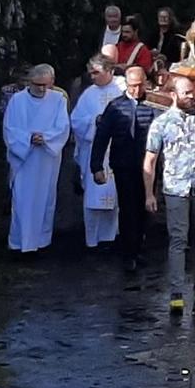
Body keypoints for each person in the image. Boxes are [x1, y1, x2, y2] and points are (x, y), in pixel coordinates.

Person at [145, 68, 195, 317]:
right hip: (176, 188)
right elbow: (150, 161)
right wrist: (150, 193)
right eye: (186, 92)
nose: (191, 96)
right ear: (173, 94)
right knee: (178, 238)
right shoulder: (161, 124)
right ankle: (177, 291)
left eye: (192, 92)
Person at [92, 63, 161, 271]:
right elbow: (102, 137)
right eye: (132, 86)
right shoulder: (115, 107)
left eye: (140, 85)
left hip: (147, 167)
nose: (136, 90)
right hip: (123, 166)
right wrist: (96, 166)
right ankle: (128, 253)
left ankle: (139, 248)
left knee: (145, 209)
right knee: (128, 209)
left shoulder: (154, 106)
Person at [2, 64, 69, 254]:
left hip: (46, 158)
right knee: (23, 200)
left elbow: (63, 126)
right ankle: (19, 242)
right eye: (37, 84)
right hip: (24, 159)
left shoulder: (58, 100)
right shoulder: (17, 100)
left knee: (45, 199)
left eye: (45, 85)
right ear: (29, 82)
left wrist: (46, 137)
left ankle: (42, 242)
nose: (41, 89)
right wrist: (28, 138)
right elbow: (9, 128)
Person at [69, 54, 124, 250]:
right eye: (90, 73)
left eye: (96, 72)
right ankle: (92, 239)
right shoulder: (89, 94)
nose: (92, 77)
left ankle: (112, 236)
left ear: (110, 71)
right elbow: (76, 121)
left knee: (115, 197)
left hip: (116, 150)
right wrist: (95, 121)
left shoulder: (122, 89)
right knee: (93, 197)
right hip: (95, 152)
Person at [150, 6, 187, 71]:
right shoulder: (153, 34)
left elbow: (180, 54)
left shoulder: (176, 36)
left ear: (170, 19)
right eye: (161, 17)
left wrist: (165, 57)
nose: (163, 19)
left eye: (165, 17)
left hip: (171, 67)